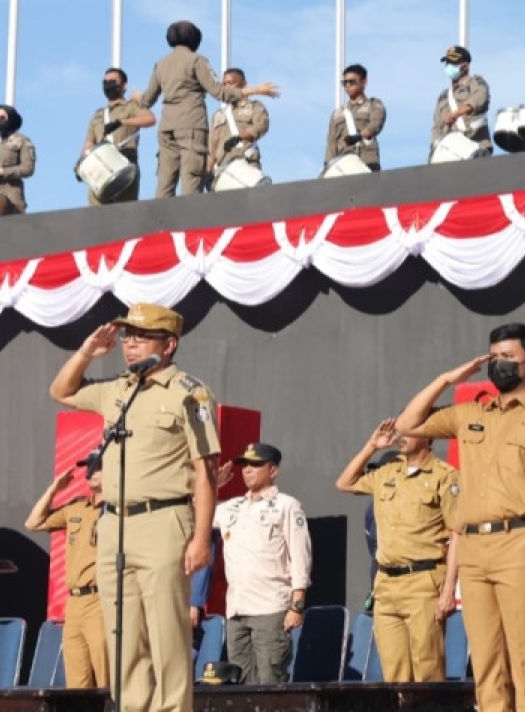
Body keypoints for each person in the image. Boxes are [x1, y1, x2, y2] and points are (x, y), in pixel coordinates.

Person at [48, 302, 220, 712]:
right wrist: (88, 351)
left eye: (141, 336)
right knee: (123, 637)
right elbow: (62, 391)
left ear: (170, 343)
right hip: (114, 526)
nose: (130, 344)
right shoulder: (119, 390)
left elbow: (206, 471)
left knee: (166, 637)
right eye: (127, 336)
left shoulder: (189, 392)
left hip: (164, 521)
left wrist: (200, 539)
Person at [394, 322, 525, 712]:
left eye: (509, 358)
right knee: (487, 663)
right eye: (494, 357)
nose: (500, 365)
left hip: (520, 544)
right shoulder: (470, 413)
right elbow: (405, 425)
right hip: (473, 549)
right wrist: (446, 379)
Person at [334, 418, 459, 682]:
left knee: (428, 674)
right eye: (398, 430)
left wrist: (449, 590)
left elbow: (458, 535)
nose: (401, 436)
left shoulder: (444, 476)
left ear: (429, 435)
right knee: (395, 676)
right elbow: (344, 483)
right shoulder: (388, 473)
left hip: (423, 582)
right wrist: (371, 446)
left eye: (409, 430)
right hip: (386, 584)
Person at [139, 20, 279, 197]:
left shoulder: (160, 65)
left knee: (165, 178)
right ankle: (189, 223)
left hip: (166, 127)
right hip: (190, 125)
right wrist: (256, 89)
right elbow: (220, 92)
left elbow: (147, 100)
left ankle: (159, 222)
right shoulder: (197, 61)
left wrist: (138, 98)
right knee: (192, 176)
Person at [212, 443, 312, 685]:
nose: (248, 470)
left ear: (273, 470)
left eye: (256, 465)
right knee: (240, 687)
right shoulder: (230, 507)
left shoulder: (287, 505)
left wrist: (297, 606)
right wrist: (212, 486)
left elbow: (301, 556)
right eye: (244, 465)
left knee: (270, 684)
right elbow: (193, 513)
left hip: (270, 608)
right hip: (237, 610)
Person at [24, 450, 109, 688]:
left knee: (107, 681)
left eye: (98, 466)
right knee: (77, 685)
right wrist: (54, 489)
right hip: (75, 604)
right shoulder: (77, 507)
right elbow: (33, 522)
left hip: (100, 600)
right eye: (89, 466)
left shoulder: (119, 509)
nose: (90, 471)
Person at [78, 67, 156, 206]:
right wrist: (81, 166)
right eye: (105, 82)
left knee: (125, 214)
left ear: (124, 85)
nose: (108, 85)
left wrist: (122, 122)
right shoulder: (98, 115)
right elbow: (89, 143)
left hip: (125, 164)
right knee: (96, 215)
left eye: (113, 81)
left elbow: (150, 119)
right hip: (100, 169)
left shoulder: (131, 106)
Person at [207, 67, 271, 179]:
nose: (226, 87)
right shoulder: (218, 116)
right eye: (224, 84)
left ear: (244, 84)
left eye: (230, 83)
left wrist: (240, 137)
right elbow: (211, 149)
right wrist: (207, 173)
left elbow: (261, 126)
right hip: (223, 172)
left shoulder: (254, 107)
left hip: (246, 164)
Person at [430, 45, 492, 159]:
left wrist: (457, 113)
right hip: (451, 154)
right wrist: (434, 149)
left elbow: (480, 98)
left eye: (453, 63)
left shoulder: (475, 82)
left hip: (477, 147)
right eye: (447, 63)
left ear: (465, 65)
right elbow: (437, 128)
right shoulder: (443, 97)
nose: (449, 66)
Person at [324, 64, 386, 172]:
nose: (347, 86)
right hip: (344, 165)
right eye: (344, 83)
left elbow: (376, 124)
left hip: (367, 163)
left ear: (364, 82)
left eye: (352, 82)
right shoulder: (337, 114)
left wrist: (356, 137)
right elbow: (331, 144)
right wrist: (328, 166)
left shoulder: (373, 105)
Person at [0, 104, 35, 214]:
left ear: (11, 118)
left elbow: (28, 169)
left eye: (2, 118)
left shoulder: (22, 141)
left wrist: (0, 171)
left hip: (11, 200)